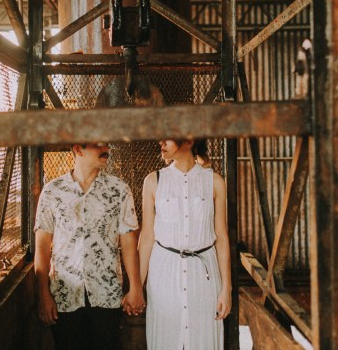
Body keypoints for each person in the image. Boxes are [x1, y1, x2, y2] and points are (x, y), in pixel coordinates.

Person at [34, 142, 145, 350]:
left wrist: (135, 287)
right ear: (78, 149)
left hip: (106, 293)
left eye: (107, 145)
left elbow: (129, 244)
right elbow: (41, 247)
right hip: (64, 295)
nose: (106, 149)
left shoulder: (119, 190)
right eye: (98, 145)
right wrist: (43, 294)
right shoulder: (52, 192)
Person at [139, 139, 231, 349]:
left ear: (188, 141)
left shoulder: (214, 181)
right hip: (164, 274)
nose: (161, 142)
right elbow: (147, 236)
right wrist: (137, 286)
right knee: (165, 340)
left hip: (204, 275)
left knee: (204, 340)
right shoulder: (153, 181)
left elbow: (221, 237)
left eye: (168, 137)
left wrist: (226, 288)